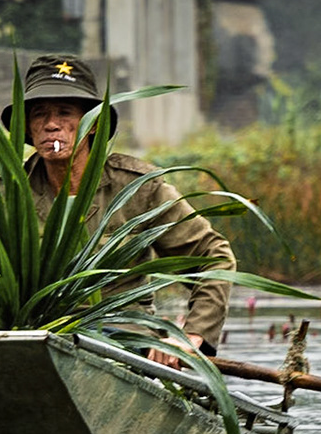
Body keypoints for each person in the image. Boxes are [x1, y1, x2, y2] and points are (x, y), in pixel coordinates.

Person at [20, 53, 235, 357]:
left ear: (93, 125)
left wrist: (191, 337)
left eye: (65, 112)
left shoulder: (137, 188)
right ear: (27, 127)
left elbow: (212, 257)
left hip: (123, 340)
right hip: (33, 338)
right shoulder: (6, 191)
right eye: (39, 114)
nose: (51, 125)